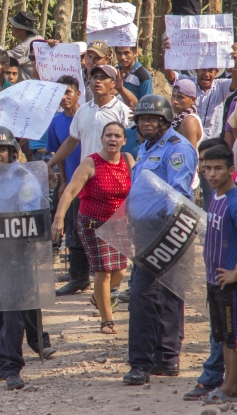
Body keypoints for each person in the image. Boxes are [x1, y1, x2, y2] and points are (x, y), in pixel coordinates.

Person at [122, 94, 198, 385]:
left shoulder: (177, 149)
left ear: (165, 120)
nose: (147, 123)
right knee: (165, 294)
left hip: (167, 230)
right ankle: (166, 358)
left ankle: (140, 364)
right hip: (143, 230)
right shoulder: (144, 147)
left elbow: (178, 193)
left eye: (153, 118)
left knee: (143, 296)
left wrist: (166, 231)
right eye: (142, 119)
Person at [0, 127, 55, 390]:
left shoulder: (24, 179)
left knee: (11, 313)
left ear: (11, 153)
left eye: (1, 150)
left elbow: (31, 222)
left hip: (16, 256)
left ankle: (12, 367)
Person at [48, 65, 130, 295]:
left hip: (113, 179)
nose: (97, 81)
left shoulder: (122, 111)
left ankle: (109, 284)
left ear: (113, 83)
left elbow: (131, 145)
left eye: (103, 78)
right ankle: (79, 279)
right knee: (77, 229)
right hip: (86, 177)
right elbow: (71, 142)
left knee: (114, 232)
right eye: (94, 77)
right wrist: (51, 163)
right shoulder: (83, 110)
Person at [52, 122, 133, 334]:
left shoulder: (128, 160)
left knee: (121, 271)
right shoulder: (91, 162)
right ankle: (107, 320)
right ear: (102, 139)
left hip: (119, 224)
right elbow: (69, 192)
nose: (112, 139)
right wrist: (59, 219)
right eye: (108, 135)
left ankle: (99, 296)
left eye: (117, 136)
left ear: (124, 141)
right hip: (92, 224)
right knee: (104, 273)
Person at [162, 40, 237, 209]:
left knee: (212, 192)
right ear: (196, 69)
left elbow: (235, 81)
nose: (207, 73)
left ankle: (212, 223)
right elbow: (170, 76)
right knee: (189, 188)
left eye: (211, 70)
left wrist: (236, 61)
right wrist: (167, 53)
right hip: (189, 146)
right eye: (203, 69)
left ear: (216, 72)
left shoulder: (221, 86)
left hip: (212, 146)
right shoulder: (187, 83)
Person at [189, 145, 237, 404]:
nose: (211, 174)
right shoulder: (215, 198)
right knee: (224, 338)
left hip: (230, 285)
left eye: (218, 168)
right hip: (214, 283)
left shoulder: (234, 200)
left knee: (233, 337)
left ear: (231, 170)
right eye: (207, 168)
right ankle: (229, 384)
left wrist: (235, 273)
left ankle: (230, 389)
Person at [46, 76, 82, 285]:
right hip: (70, 182)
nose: (64, 97)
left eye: (68, 92)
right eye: (60, 93)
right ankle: (74, 273)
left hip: (91, 180)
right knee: (70, 224)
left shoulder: (86, 115)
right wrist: (62, 181)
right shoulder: (56, 122)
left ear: (78, 94)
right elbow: (59, 151)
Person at [5, 11, 43, 82]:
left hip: (28, 86)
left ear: (21, 30)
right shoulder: (39, 38)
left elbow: (2, 58)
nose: (12, 30)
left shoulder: (23, 48)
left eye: (14, 27)